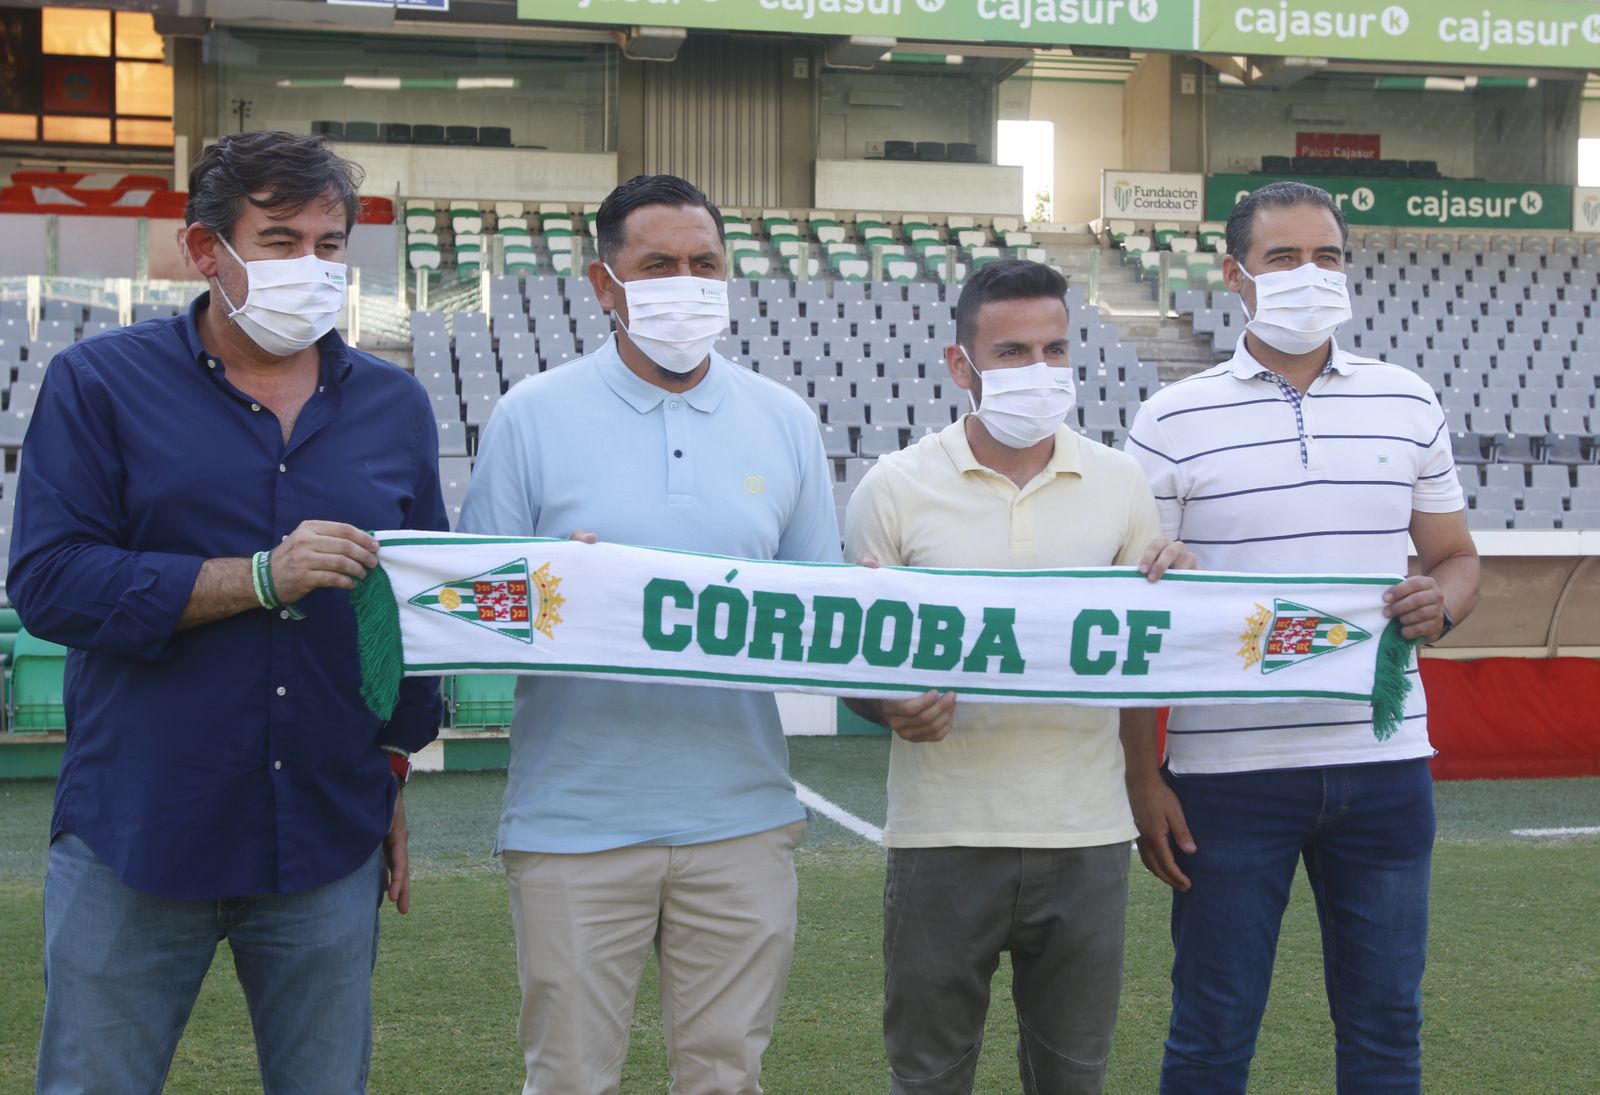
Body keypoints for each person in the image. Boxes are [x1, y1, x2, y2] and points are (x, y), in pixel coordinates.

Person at [13, 130, 446, 1094]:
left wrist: (393, 767)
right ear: (205, 250)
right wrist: (257, 577)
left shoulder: (394, 404)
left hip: (326, 830)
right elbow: (49, 581)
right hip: (139, 825)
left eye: (329, 245)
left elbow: (413, 606)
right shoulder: (99, 383)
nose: (312, 267)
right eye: (281, 241)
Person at [458, 173, 840, 1095]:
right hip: (574, 822)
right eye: (658, 264)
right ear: (605, 283)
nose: (686, 283)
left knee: (725, 1078)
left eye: (704, 263)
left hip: (742, 817)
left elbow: (820, 613)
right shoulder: (529, 414)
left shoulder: (786, 420)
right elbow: (471, 610)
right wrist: (553, 586)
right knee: (568, 1080)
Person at [1124, 180, 1481, 1094]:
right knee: (1211, 1031)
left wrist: (1440, 603)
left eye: (1326, 256)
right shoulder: (1170, 419)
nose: (1308, 274)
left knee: (1386, 1029)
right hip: (1225, 778)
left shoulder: (1408, 400)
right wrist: (1142, 775)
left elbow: (1455, 559)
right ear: (1234, 273)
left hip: (1385, 763)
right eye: (1282, 257)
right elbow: (1135, 608)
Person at [842, 259, 1193, 1095]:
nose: (1039, 370)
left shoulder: (1120, 482)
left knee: (1073, 1078)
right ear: (961, 364)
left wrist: (1144, 780)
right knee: (928, 1077)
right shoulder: (893, 488)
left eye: (1054, 349)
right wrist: (888, 704)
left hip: (1086, 834)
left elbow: (1133, 658)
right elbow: (850, 656)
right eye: (1012, 352)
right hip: (942, 834)